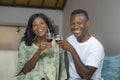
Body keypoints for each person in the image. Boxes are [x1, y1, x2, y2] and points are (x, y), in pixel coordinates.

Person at [13, 13, 67, 80]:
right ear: (32, 29)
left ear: (47, 25)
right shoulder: (25, 45)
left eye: (42, 23)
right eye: (35, 25)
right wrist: (39, 50)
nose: (39, 27)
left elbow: (62, 70)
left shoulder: (57, 44)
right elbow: (24, 71)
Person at [57, 9, 105, 80]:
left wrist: (72, 50)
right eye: (72, 24)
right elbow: (59, 54)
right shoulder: (70, 39)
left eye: (79, 23)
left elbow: (86, 76)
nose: (75, 27)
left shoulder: (96, 46)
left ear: (87, 24)